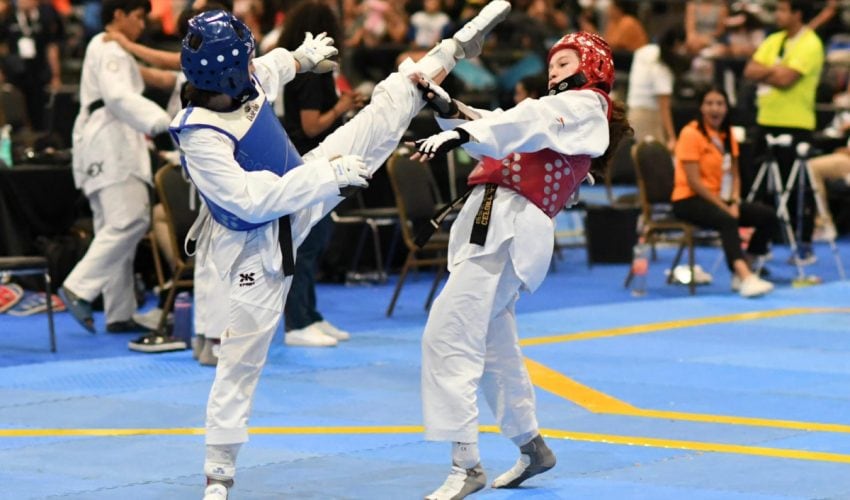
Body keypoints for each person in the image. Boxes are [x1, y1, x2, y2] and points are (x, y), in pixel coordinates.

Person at [168, 4, 511, 499]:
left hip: (301, 184)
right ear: (224, 74)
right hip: (256, 247)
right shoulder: (200, 133)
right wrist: (327, 177)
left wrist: (303, 58)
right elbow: (251, 200)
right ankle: (218, 476)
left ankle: (454, 47)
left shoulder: (245, 80)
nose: (251, 65)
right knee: (240, 361)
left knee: (388, 106)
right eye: (243, 61)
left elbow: (275, 65)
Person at [409, 31, 632, 499]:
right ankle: (532, 446)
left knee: (447, 336)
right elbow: (499, 124)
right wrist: (449, 107)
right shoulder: (545, 117)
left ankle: (465, 465)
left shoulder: (587, 106)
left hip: (507, 229)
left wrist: (461, 132)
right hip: (492, 224)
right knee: (494, 347)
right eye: (551, 65)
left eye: (565, 62)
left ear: (593, 67)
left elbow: (521, 121)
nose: (554, 72)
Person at [59, 0, 172, 334]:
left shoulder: (113, 49)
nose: (142, 25)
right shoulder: (108, 47)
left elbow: (154, 79)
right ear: (118, 15)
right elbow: (119, 97)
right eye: (137, 17)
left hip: (106, 144)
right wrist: (162, 123)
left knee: (114, 228)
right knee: (129, 220)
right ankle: (79, 287)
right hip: (111, 145)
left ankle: (119, 312)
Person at [279, 0, 365, 347]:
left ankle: (310, 314)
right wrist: (342, 106)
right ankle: (296, 322)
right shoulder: (311, 75)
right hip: (307, 162)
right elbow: (311, 125)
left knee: (316, 240)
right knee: (306, 242)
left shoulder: (309, 70)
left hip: (311, 160)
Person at [672, 86, 777, 298]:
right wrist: (724, 207)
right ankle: (745, 277)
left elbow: (735, 175)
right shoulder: (690, 133)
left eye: (720, 104)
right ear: (701, 108)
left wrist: (735, 202)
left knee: (767, 216)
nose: (715, 109)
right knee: (727, 220)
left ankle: (745, 268)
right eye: (709, 103)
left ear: (727, 108)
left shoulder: (727, 134)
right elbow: (694, 182)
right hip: (689, 199)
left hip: (721, 199)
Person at [743, 0, 823, 264]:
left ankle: (804, 246)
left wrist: (768, 72)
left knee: (796, 189)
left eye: (782, 10)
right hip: (765, 122)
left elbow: (786, 80)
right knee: (761, 190)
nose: (777, 14)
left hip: (796, 125)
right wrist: (774, 71)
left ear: (797, 14)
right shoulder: (773, 40)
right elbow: (749, 70)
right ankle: (760, 246)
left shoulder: (810, 43)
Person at [627, 26, 688, 152]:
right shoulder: (661, 67)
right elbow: (664, 106)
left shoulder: (644, 51)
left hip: (632, 113)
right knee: (654, 158)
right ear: (677, 44)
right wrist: (672, 137)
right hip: (649, 117)